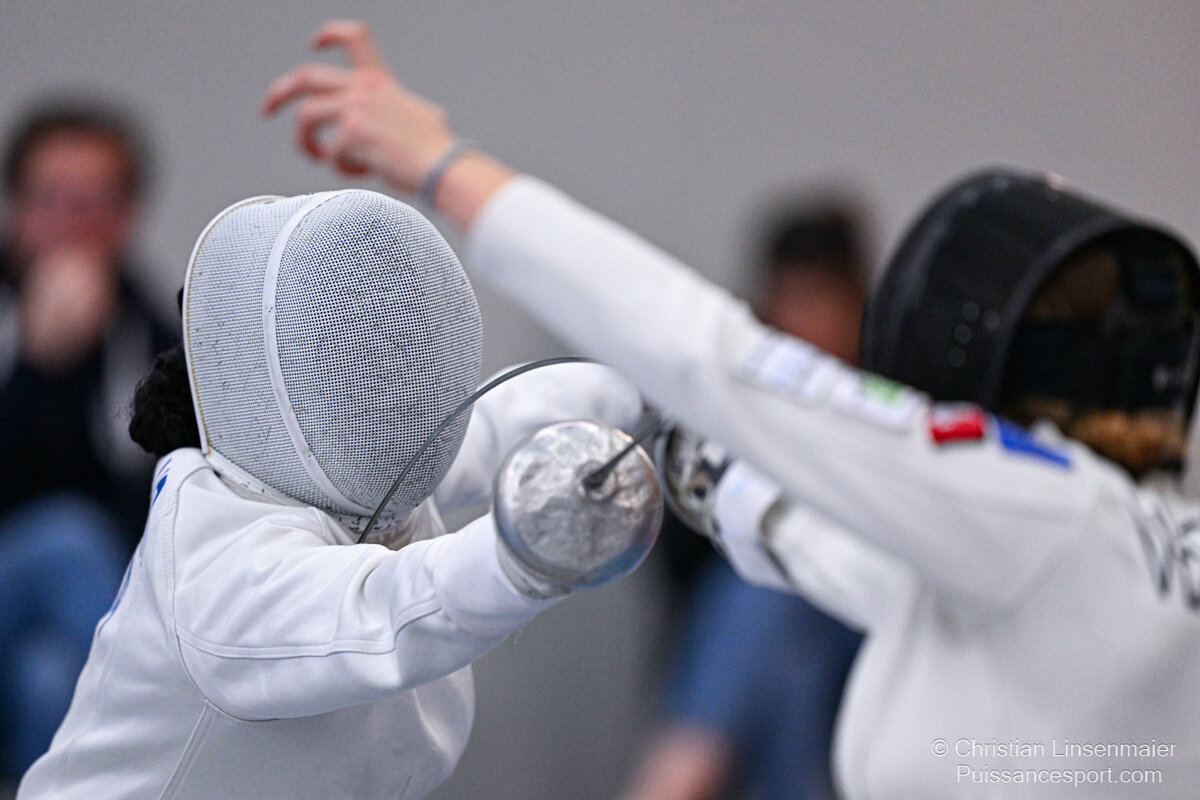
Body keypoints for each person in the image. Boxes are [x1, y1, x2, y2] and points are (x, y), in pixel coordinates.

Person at [263, 21, 1200, 797]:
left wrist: (443, 164)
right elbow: (851, 564)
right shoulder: (1126, 542)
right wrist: (705, 476)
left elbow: (721, 359)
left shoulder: (1038, 516)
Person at [15, 188, 657, 800]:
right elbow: (400, 604)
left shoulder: (348, 472)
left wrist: (653, 399)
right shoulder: (218, 569)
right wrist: (534, 543)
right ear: (285, 376)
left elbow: (490, 423)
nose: (395, 377)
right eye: (360, 354)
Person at [622, 202, 868, 800]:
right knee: (768, 617)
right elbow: (679, 562)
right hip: (766, 657)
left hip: (869, 637)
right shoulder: (727, 411)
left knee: (771, 601)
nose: (802, 321)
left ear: (858, 304)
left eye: (819, 299)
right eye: (788, 299)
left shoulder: (893, 412)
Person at [0, 98, 174, 781]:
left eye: (92, 203)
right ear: (16, 208)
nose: (71, 223)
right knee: (67, 536)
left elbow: (161, 510)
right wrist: (38, 369)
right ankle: (167, 741)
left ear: (126, 214)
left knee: (46, 680)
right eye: (50, 200)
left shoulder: (154, 334)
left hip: (69, 614)